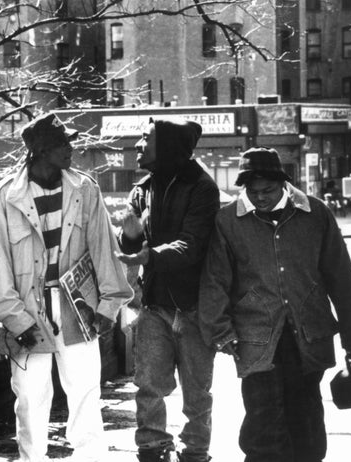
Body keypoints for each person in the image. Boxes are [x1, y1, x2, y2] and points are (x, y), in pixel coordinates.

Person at [198, 147, 351, 462]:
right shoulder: (227, 222)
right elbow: (214, 281)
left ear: (284, 185)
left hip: (309, 334)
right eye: (253, 191)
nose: (260, 197)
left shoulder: (315, 214)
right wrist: (220, 331)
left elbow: (341, 278)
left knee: (306, 418)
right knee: (263, 423)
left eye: (268, 190)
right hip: (255, 337)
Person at [0, 113, 133, 462]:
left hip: (78, 306)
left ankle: (90, 458)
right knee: (31, 397)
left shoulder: (84, 188)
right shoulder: (3, 197)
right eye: (62, 143)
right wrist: (17, 322)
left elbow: (103, 249)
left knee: (85, 391)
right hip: (26, 309)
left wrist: (109, 306)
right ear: (41, 150)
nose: (70, 148)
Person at [115, 118, 220, 462]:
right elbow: (132, 245)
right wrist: (129, 235)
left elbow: (192, 245)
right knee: (148, 385)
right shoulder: (142, 188)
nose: (138, 145)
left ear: (169, 145)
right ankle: (152, 448)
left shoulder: (202, 187)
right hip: (155, 305)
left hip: (194, 307)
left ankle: (195, 452)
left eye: (146, 139)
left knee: (197, 393)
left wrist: (149, 254)